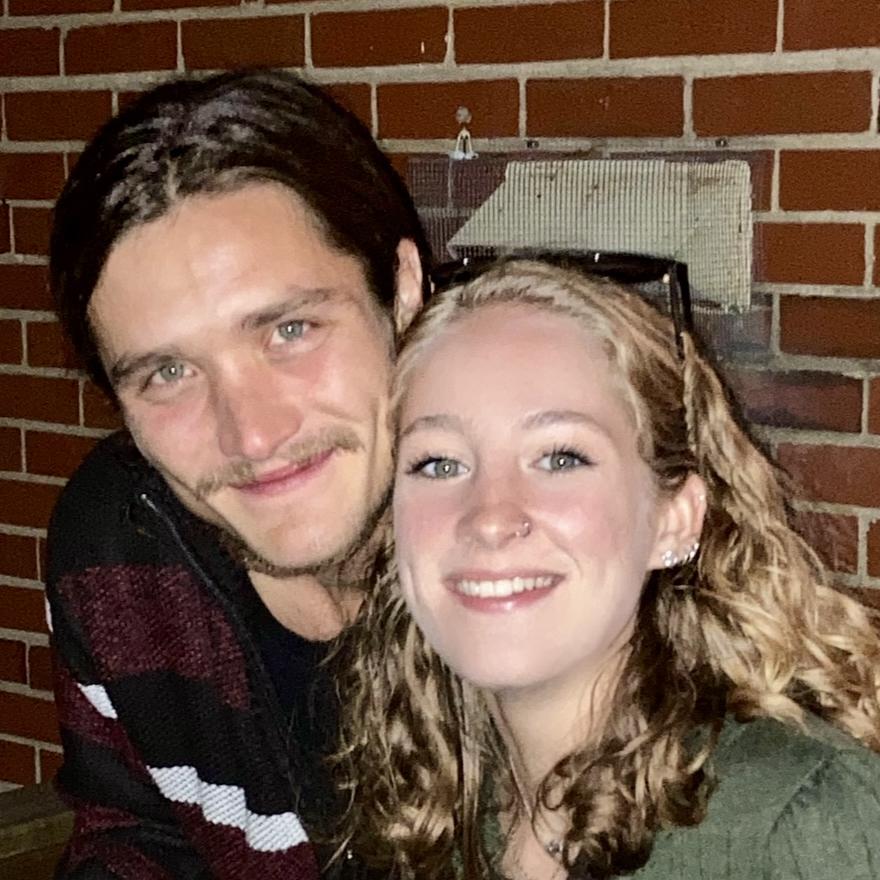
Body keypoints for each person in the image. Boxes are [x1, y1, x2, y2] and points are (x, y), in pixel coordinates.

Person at [337, 258, 880, 879]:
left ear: (673, 519)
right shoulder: (421, 813)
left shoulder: (793, 825)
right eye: (439, 464)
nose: (489, 517)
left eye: (560, 458)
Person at [46, 68, 428, 879]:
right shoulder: (121, 550)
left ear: (402, 292)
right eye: (168, 373)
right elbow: (137, 840)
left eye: (290, 330)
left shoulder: (545, 556)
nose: (252, 435)